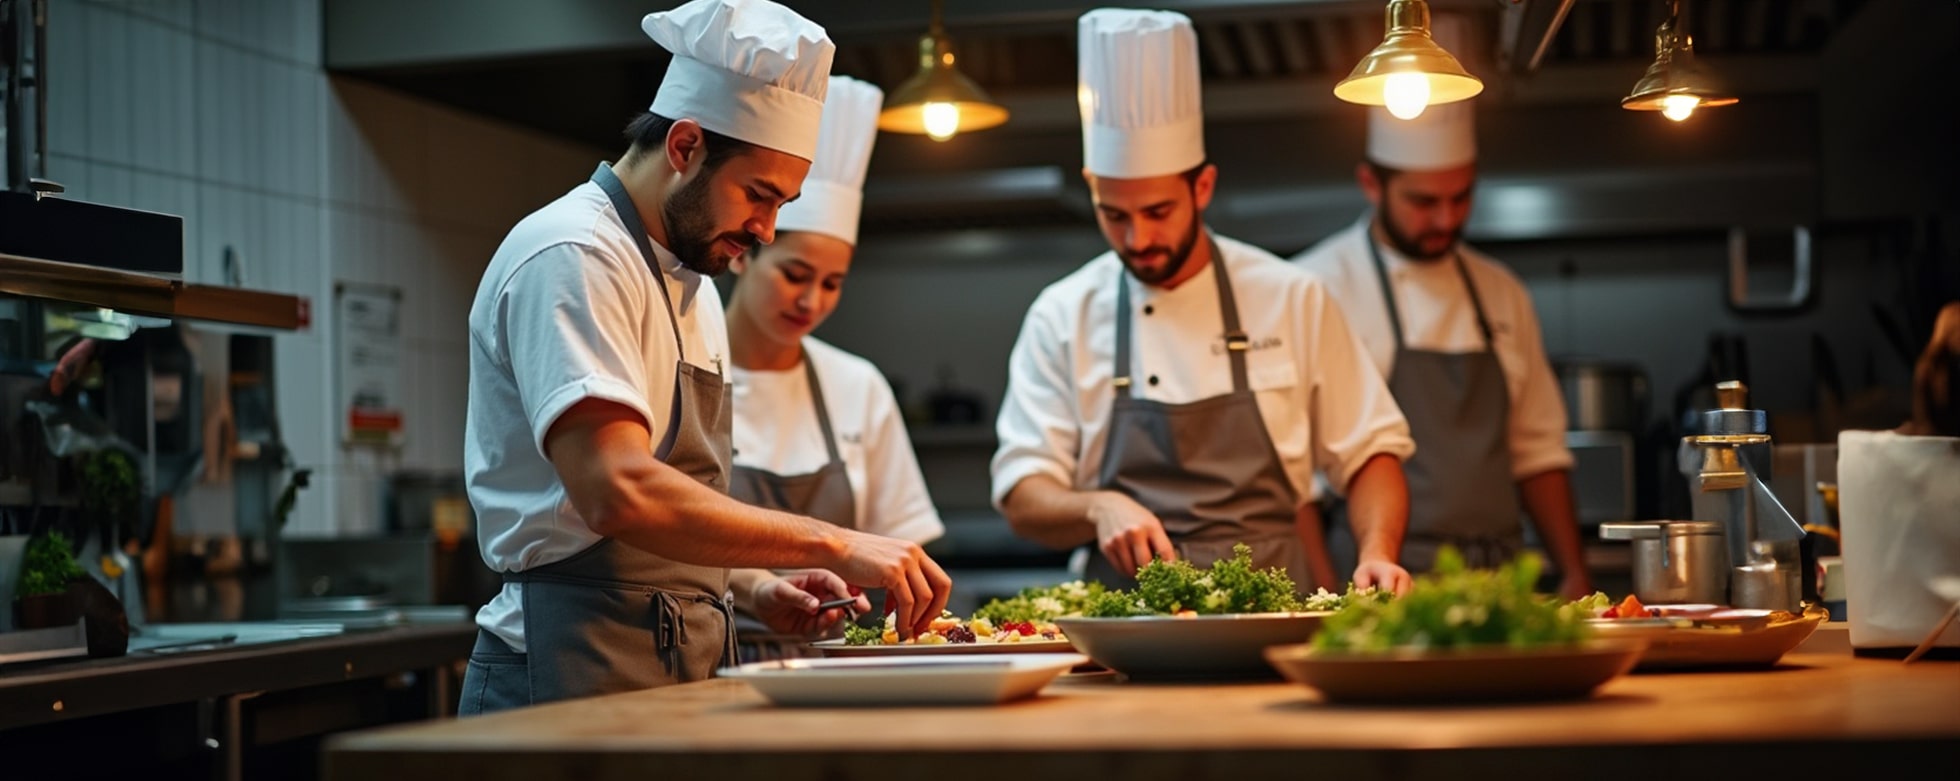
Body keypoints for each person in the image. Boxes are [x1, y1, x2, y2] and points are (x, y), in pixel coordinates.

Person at [459, 0, 949, 716]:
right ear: (685, 146)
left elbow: (667, 513)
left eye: (782, 203)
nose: (766, 228)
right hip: (566, 673)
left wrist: (750, 584)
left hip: (675, 667)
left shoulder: (692, 282)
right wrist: (836, 542)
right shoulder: (575, 253)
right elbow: (615, 488)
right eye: (758, 195)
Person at [990, 8, 1416, 597]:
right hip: (1125, 621)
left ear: (1203, 187)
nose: (1138, 240)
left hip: (1271, 610)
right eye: (1114, 215)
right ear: (1092, 187)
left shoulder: (1291, 296)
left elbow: (1371, 453)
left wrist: (1376, 552)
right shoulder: (1062, 313)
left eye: (1158, 212)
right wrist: (1098, 507)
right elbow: (1022, 492)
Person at [1290, 101, 1591, 599]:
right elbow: (1296, 476)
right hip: (1380, 583)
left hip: (1502, 579)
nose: (1446, 219)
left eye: (1461, 197)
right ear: (1371, 184)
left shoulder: (1501, 291)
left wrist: (1574, 570)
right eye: (1423, 201)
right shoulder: (1315, 287)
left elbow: (1537, 450)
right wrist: (1325, 594)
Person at [722, 75, 944, 656]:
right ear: (747, 252)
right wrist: (760, 587)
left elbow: (906, 543)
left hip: (839, 660)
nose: (811, 301)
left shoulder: (856, 384)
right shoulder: (688, 363)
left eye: (832, 284)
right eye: (795, 275)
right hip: (707, 655)